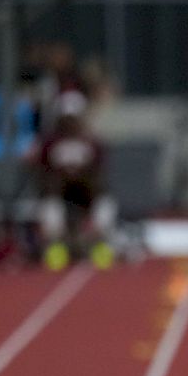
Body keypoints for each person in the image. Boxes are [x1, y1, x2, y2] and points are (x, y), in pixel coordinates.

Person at [33, 90, 112, 270]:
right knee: (50, 208)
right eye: (66, 118)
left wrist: (82, 180)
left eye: (73, 118)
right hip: (59, 191)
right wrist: (60, 181)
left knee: (105, 204)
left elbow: (99, 173)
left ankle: (98, 245)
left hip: (85, 192)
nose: (70, 123)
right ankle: (56, 248)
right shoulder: (50, 143)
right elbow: (42, 173)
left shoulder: (92, 142)